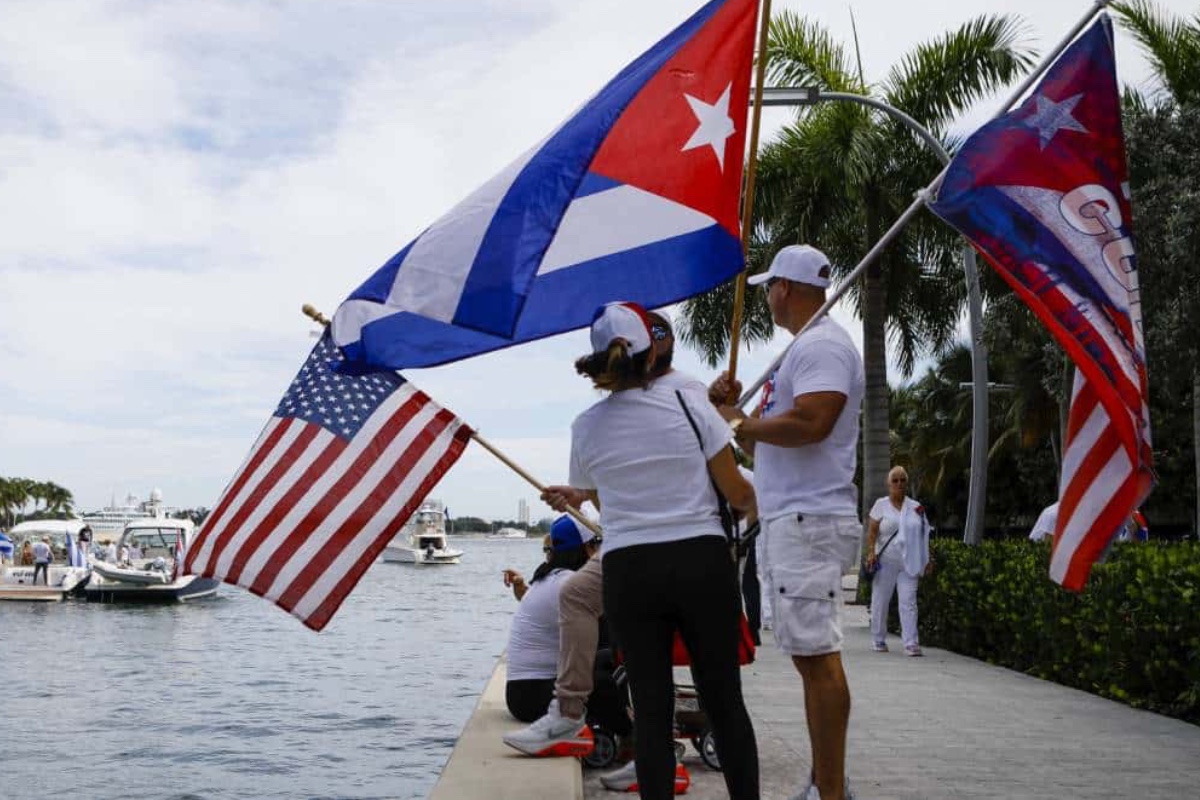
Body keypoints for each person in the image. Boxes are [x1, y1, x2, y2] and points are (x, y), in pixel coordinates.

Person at [512, 301, 760, 800]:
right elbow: (737, 493)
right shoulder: (691, 398)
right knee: (725, 702)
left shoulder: (585, 427)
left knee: (650, 710)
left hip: (629, 570)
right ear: (653, 353)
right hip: (699, 561)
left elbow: (607, 507)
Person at [714, 244, 865, 800]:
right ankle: (827, 782)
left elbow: (814, 421)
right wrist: (740, 420)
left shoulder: (822, 345)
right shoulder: (806, 348)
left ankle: (830, 792)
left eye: (770, 288)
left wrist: (744, 423)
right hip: (795, 515)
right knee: (810, 657)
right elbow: (784, 440)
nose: (768, 299)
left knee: (818, 658)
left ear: (785, 288)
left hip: (808, 519)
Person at [503, 515, 607, 727]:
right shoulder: (570, 582)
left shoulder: (551, 578)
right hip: (535, 695)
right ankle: (629, 736)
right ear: (586, 548)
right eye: (597, 544)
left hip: (522, 693)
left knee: (607, 653)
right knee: (611, 665)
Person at [864, 466, 932, 656]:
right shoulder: (881, 505)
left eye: (902, 480)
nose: (899, 484)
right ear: (888, 484)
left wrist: (928, 558)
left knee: (908, 602)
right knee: (880, 601)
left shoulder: (916, 507)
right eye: (895, 480)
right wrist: (871, 552)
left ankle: (911, 643)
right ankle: (878, 639)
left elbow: (924, 534)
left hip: (909, 563)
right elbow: (872, 533)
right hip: (885, 562)